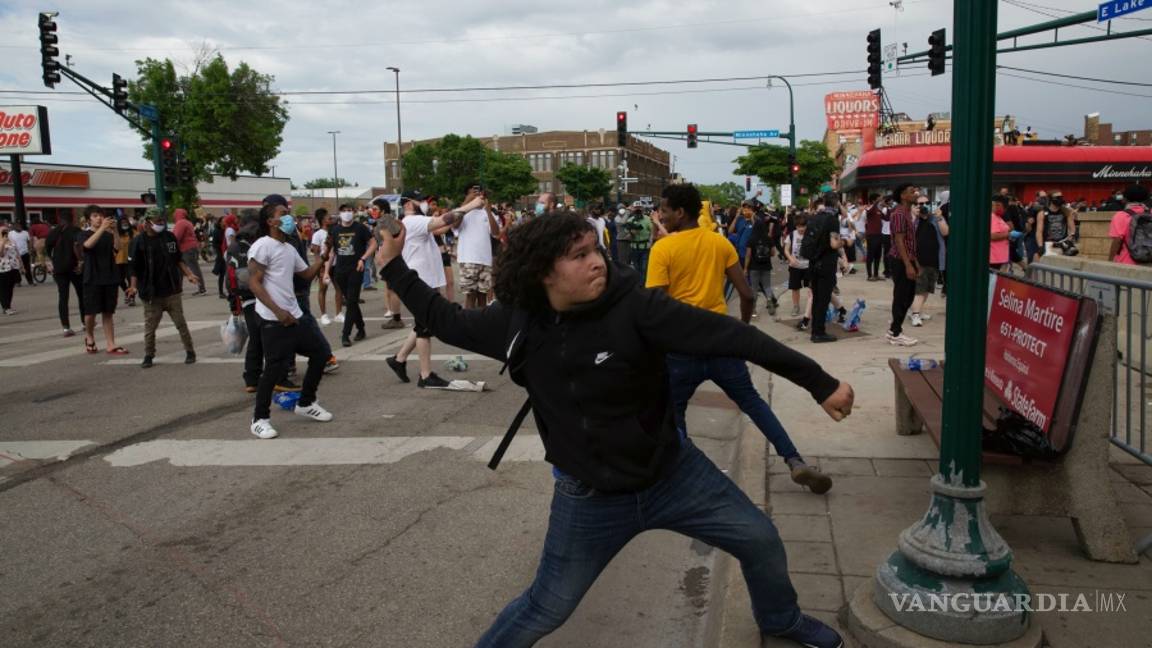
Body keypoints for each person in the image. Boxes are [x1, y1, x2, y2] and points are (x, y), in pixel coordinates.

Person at [375, 210, 854, 648]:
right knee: (545, 608)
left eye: (596, 251)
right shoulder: (516, 324)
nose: (597, 262)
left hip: (674, 475)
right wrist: (393, 265)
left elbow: (735, 336)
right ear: (543, 271)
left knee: (760, 539)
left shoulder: (638, 308)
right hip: (589, 499)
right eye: (579, 256)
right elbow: (443, 318)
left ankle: (780, 618)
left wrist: (820, 382)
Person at [648, 183, 832, 493]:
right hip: (721, 339)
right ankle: (794, 460)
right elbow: (747, 293)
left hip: (681, 347)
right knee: (752, 402)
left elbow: (654, 308)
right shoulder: (719, 243)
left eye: (665, 210)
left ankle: (682, 474)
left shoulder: (663, 250)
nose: (661, 216)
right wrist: (740, 331)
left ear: (680, 212)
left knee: (674, 410)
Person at [247, 199, 333, 440]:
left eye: (289, 213)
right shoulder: (263, 246)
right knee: (274, 369)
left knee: (320, 354)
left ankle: (306, 402)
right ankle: (259, 419)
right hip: (274, 319)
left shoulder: (289, 248)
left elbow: (304, 275)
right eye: (283, 214)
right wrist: (277, 312)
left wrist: (322, 259)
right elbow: (253, 283)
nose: (289, 218)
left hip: (295, 315)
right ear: (270, 221)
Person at [384, 190, 481, 389]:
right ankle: (426, 375)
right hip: (421, 280)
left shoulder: (417, 222)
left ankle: (399, 359)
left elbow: (444, 227)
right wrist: (470, 206)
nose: (425, 203)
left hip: (423, 279)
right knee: (425, 328)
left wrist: (466, 202)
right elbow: (443, 220)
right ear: (408, 204)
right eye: (420, 201)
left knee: (423, 322)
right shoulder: (412, 221)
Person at [127, 208, 199, 368]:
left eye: (162, 220)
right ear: (147, 223)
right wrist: (133, 287)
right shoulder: (138, 242)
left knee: (181, 323)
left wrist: (189, 274)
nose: (161, 224)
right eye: (158, 221)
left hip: (172, 290)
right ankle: (148, 354)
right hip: (151, 293)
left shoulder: (169, 237)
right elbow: (133, 267)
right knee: (150, 327)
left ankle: (190, 351)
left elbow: (177, 259)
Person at [79, 205, 128, 355]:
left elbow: (118, 248)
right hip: (92, 277)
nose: (99, 218)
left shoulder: (107, 234)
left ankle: (111, 343)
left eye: (101, 215)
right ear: (89, 219)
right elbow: (87, 246)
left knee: (108, 312)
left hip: (109, 276)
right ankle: (89, 336)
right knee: (90, 313)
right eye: (95, 216)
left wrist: (114, 231)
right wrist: (102, 229)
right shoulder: (84, 234)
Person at [329, 203, 376, 347]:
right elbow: (332, 252)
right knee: (352, 301)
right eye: (344, 211)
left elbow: (373, 243)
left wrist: (363, 258)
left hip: (356, 269)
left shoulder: (360, 228)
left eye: (349, 210)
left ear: (354, 212)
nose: (347, 213)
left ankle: (345, 334)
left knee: (351, 302)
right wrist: (326, 271)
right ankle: (361, 328)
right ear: (339, 213)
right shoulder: (335, 230)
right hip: (340, 271)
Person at [805, 193, 844, 344]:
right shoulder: (832, 220)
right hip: (826, 264)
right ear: (836, 203)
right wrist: (844, 242)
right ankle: (819, 332)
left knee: (816, 299)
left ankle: (815, 330)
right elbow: (834, 244)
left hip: (813, 263)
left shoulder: (814, 218)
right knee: (823, 299)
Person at [455, 185, 500, 309]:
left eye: (479, 193)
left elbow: (496, 233)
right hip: (468, 260)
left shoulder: (486, 212)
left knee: (483, 296)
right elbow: (454, 225)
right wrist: (467, 202)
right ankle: (467, 325)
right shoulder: (462, 212)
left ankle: (481, 326)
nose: (478, 196)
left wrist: (488, 211)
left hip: (485, 261)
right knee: (470, 295)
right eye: (473, 193)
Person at [886, 185, 920, 347]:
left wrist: (915, 263)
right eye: (912, 192)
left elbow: (910, 242)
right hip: (900, 260)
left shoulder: (907, 213)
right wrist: (908, 265)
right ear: (903, 196)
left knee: (908, 296)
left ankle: (895, 329)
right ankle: (895, 333)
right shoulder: (899, 213)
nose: (915, 194)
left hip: (908, 259)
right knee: (901, 296)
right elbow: (899, 241)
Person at [909, 196, 949, 327]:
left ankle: (918, 312)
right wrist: (914, 215)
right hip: (918, 261)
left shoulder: (934, 218)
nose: (924, 205)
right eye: (920, 203)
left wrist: (940, 217)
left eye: (927, 203)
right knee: (919, 290)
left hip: (934, 260)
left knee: (927, 290)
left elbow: (945, 232)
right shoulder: (913, 220)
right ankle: (915, 315)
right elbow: (907, 235)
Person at [46, 211, 85, 336]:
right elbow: (79, 246)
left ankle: (66, 327)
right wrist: (81, 262)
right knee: (82, 295)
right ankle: (85, 322)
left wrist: (52, 262)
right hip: (74, 267)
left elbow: (47, 249)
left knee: (63, 297)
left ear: (60, 219)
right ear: (72, 219)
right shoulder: (76, 230)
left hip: (59, 269)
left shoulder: (53, 232)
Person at [1108, 184, 1150, 266]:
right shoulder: (1150, 213)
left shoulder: (1121, 215)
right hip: (1148, 262)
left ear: (1125, 198)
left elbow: (1117, 241)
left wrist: (1109, 261)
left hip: (1126, 262)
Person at [783, 214, 812, 322]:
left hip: (808, 266)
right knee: (795, 288)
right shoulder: (791, 235)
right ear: (796, 226)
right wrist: (791, 259)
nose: (801, 229)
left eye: (803, 226)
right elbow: (786, 249)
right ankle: (796, 306)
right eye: (799, 226)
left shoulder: (810, 235)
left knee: (811, 287)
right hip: (795, 266)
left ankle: (811, 307)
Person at [171, 208, 206, 295]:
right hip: (191, 247)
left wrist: (172, 247)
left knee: (191, 269)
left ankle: (201, 289)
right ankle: (199, 288)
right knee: (188, 268)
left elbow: (176, 237)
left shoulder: (180, 223)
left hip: (186, 249)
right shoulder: (187, 222)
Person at [1035, 190, 1078, 257]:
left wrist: (1069, 240)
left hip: (1063, 243)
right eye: (1057, 197)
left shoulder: (1066, 212)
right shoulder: (1042, 213)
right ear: (1051, 199)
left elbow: (1072, 229)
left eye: (1061, 197)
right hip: (1048, 243)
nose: (1060, 199)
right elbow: (1039, 232)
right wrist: (1040, 246)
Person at [990, 196, 1017, 271]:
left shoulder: (998, 217)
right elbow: (992, 236)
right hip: (994, 258)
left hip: (1000, 258)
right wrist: (1009, 234)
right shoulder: (992, 217)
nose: (1005, 210)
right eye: (1004, 207)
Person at [864, 194, 887, 281]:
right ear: (874, 201)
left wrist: (887, 207)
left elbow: (887, 218)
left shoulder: (878, 210)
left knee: (878, 256)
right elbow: (869, 211)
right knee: (870, 256)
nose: (880, 201)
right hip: (871, 235)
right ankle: (870, 276)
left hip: (879, 235)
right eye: (878, 199)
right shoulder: (869, 208)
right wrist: (877, 202)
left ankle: (876, 274)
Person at [115, 215, 136, 306]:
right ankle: (127, 293)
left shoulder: (134, 233)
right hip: (118, 261)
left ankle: (131, 298)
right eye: (122, 223)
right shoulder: (116, 234)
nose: (124, 224)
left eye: (126, 222)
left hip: (130, 261)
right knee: (119, 280)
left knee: (131, 280)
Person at [0, 224, 21, 314]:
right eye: (3, 231)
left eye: (6, 231)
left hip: (13, 266)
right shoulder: (1, 241)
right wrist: (3, 243)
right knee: (3, 288)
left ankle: (8, 306)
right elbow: (1, 254)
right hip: (3, 268)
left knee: (10, 288)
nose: (5, 233)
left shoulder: (12, 241)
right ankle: (6, 307)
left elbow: (17, 252)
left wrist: (22, 265)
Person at [6, 220, 33, 286]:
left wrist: (30, 250)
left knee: (27, 268)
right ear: (14, 226)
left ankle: (30, 281)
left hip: (25, 253)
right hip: (15, 254)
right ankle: (18, 282)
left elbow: (29, 242)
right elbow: (7, 242)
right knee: (17, 268)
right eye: (17, 225)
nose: (19, 226)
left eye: (19, 225)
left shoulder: (25, 233)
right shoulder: (10, 233)